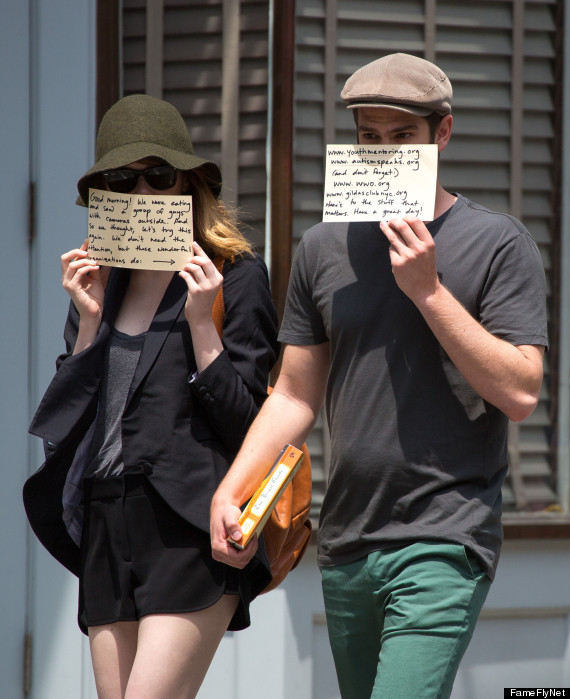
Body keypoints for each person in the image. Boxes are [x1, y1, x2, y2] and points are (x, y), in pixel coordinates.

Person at [210, 53, 548, 698]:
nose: (385, 152)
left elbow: (521, 391)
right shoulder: (322, 247)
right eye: (370, 138)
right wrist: (234, 488)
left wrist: (429, 292)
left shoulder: (499, 243)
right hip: (347, 541)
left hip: (445, 536)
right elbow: (293, 394)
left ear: (441, 133)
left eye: (404, 138)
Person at [23, 94, 279, 699]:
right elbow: (64, 429)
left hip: (187, 519)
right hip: (105, 520)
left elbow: (252, 422)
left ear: (187, 186)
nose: (141, 193)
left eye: (158, 176)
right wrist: (87, 325)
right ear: (101, 195)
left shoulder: (233, 275)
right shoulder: (100, 284)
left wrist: (201, 324)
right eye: (121, 179)